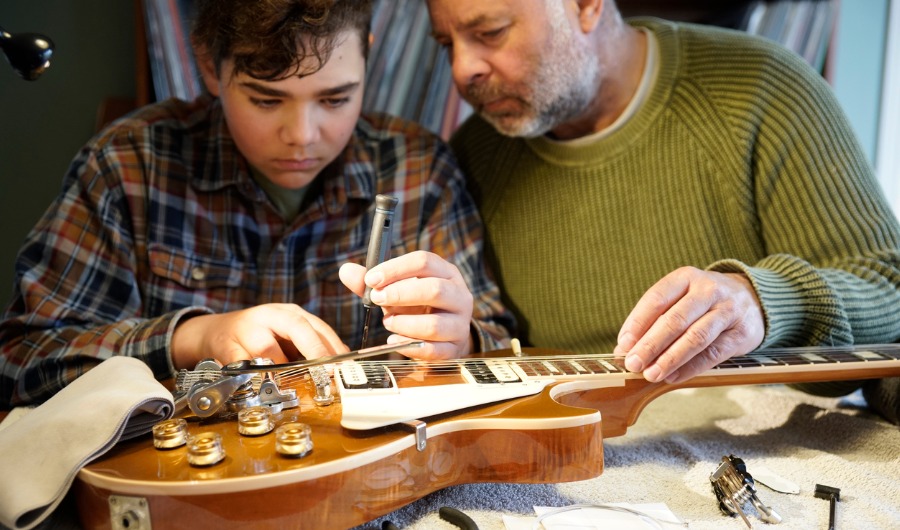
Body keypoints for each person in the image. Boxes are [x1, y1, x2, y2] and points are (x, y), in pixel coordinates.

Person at [0, 0, 514, 408]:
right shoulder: (130, 167)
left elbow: (498, 339)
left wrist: (460, 339)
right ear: (208, 65)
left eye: (335, 99)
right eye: (267, 100)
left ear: (367, 54)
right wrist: (196, 337)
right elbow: (20, 362)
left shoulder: (419, 170)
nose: (302, 136)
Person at [425, 0, 900, 421]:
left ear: (586, 6)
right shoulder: (473, 157)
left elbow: (890, 287)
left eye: (489, 33)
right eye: (446, 44)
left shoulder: (762, 90)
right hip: (575, 463)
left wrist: (760, 301)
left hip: (767, 455)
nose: (463, 70)